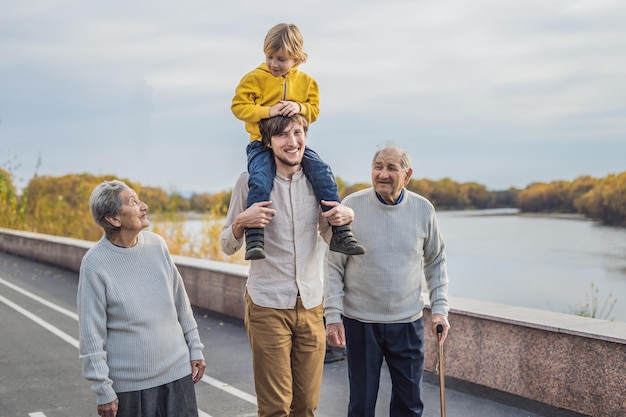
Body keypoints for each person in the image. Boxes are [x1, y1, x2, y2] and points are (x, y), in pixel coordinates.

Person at [220, 114, 357, 417]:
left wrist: (346, 217)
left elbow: (327, 234)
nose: (292, 142)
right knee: (275, 408)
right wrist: (242, 222)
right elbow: (226, 245)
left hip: (311, 305)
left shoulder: (317, 182)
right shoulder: (248, 182)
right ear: (267, 143)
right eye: (282, 135)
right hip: (267, 304)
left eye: (298, 133)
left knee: (306, 406)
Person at [324, 144, 451, 417]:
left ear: (407, 175)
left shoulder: (423, 210)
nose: (383, 174)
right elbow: (333, 265)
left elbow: (436, 261)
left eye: (392, 168)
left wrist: (440, 309)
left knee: (410, 405)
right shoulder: (351, 206)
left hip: (407, 323)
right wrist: (333, 315)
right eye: (378, 166)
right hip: (360, 323)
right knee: (362, 404)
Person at [231, 22, 364, 260]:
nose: (273, 63)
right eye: (269, 56)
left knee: (323, 171)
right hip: (260, 144)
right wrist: (268, 111)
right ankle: (255, 236)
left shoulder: (307, 83)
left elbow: (314, 111)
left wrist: (299, 106)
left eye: (281, 59)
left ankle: (341, 232)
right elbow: (239, 107)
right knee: (260, 179)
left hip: (291, 145)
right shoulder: (254, 79)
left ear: (296, 58)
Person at [77, 180, 206, 417]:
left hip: (177, 374)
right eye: (133, 202)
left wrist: (195, 348)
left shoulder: (157, 246)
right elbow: (91, 335)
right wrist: (103, 389)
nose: (143, 206)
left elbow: (181, 303)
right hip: (131, 388)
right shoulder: (95, 263)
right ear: (114, 219)